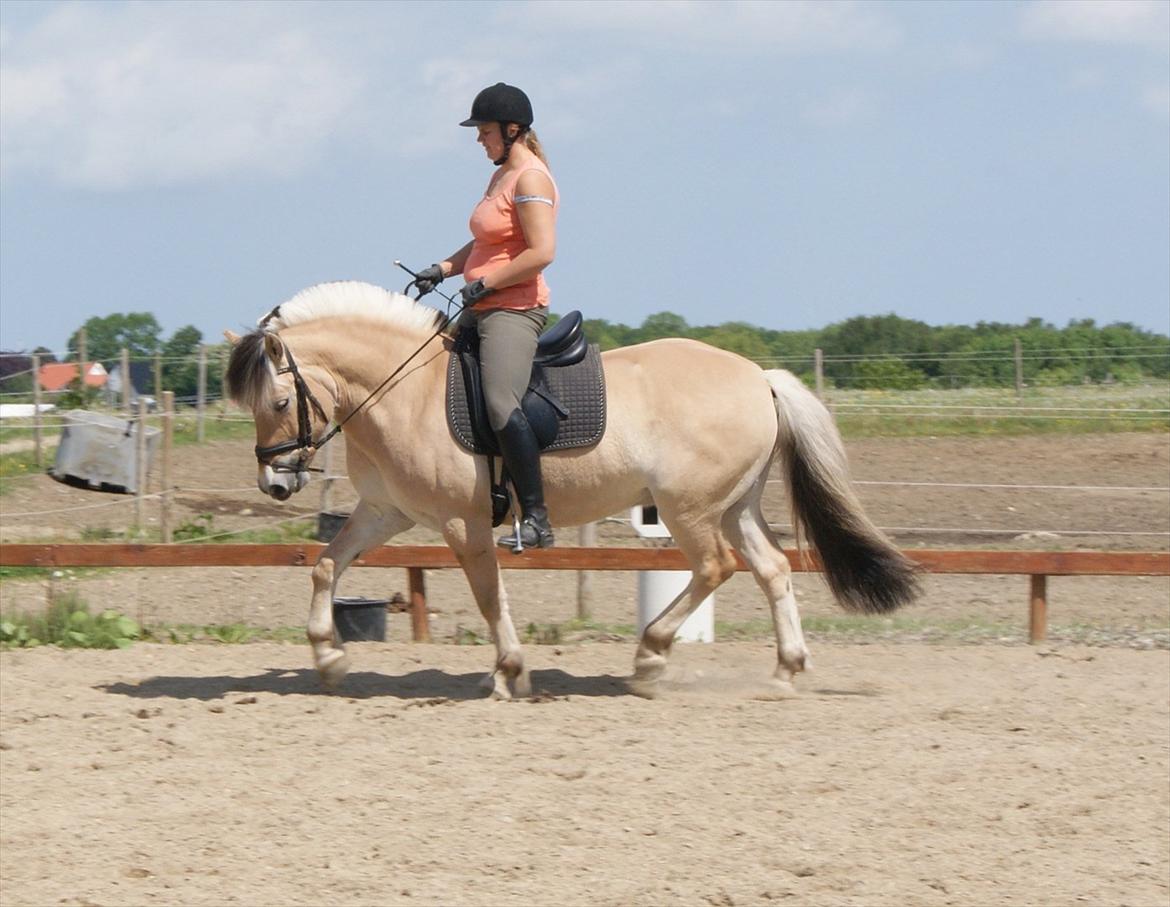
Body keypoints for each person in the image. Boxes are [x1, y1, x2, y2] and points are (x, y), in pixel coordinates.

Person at [412, 83, 559, 550]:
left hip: (514, 311)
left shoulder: (531, 179)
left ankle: (536, 517)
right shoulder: (499, 178)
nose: (479, 139)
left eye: (486, 131)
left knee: (500, 403)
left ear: (512, 130)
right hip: (481, 307)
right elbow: (485, 244)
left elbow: (542, 253)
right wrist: (445, 268)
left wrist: (487, 283)